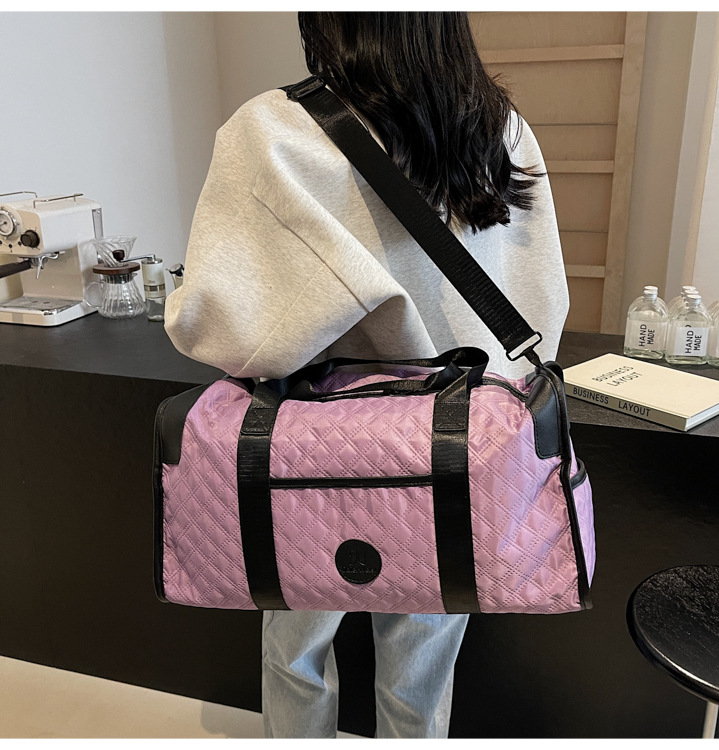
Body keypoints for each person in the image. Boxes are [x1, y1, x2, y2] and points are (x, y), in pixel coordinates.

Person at [164, 11, 569, 739]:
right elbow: (538, 299)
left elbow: (230, 332)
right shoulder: (499, 127)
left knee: (296, 643)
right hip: (454, 436)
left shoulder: (275, 129)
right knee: (423, 655)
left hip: (311, 444)